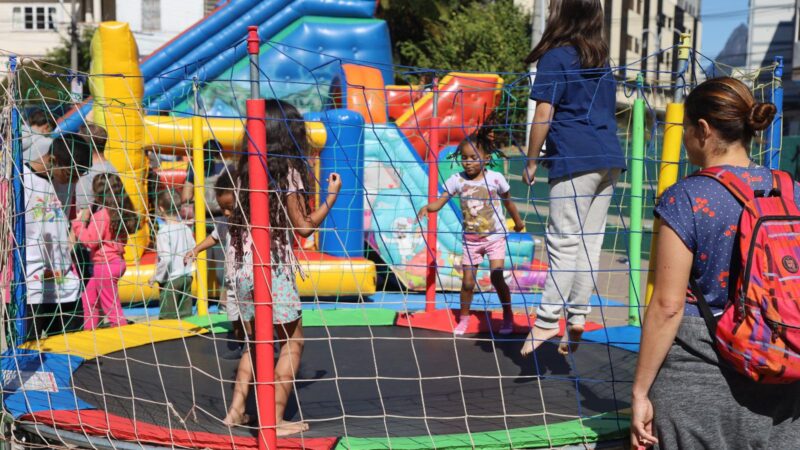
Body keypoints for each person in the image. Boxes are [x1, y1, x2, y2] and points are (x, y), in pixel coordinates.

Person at [630, 77, 800, 449]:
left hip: (699, 381)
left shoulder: (686, 197)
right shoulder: (791, 191)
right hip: (784, 375)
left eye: (686, 127)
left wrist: (640, 391)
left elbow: (668, 305)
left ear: (703, 130)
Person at [221, 99, 341, 436]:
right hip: (271, 268)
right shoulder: (288, 171)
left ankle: (236, 411)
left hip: (242, 268)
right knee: (293, 342)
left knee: (257, 342)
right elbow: (303, 227)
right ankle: (273, 421)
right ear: (290, 135)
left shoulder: (245, 169)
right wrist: (331, 196)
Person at [520, 0, 626, 356]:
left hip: (575, 156)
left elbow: (543, 114)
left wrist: (531, 160)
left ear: (562, 14)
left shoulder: (557, 57)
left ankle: (547, 319)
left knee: (563, 242)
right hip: (609, 157)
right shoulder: (601, 60)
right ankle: (578, 314)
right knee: (589, 243)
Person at [417, 129, 524, 336]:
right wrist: (428, 207)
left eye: (474, 158)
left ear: (486, 158)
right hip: (471, 240)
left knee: (497, 277)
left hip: (494, 237)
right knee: (467, 283)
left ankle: (507, 314)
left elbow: (508, 202)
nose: (468, 162)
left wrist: (518, 222)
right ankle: (464, 318)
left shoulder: (495, 179)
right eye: (464, 158)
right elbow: (440, 201)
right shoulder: (457, 180)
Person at [24, 133, 91, 337]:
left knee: (74, 351)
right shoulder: (20, 179)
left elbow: (67, 220)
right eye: (73, 173)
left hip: (65, 286)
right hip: (30, 288)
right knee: (28, 352)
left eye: (81, 174)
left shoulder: (67, 183)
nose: (76, 179)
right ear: (53, 159)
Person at [72, 173, 139, 330]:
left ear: (98, 193)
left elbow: (90, 241)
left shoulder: (102, 216)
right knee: (89, 299)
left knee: (111, 307)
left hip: (105, 265)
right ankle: (90, 331)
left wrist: (78, 224)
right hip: (116, 262)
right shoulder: (121, 213)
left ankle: (122, 332)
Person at [185, 169, 239, 357]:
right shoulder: (225, 221)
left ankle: (253, 343)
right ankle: (240, 344)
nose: (225, 212)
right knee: (234, 315)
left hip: (250, 278)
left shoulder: (249, 219)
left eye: (229, 207)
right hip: (233, 279)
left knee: (251, 315)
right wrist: (196, 249)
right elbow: (215, 237)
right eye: (222, 208)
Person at [150, 189, 195, 320]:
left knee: (168, 319)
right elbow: (193, 250)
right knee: (185, 317)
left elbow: (166, 260)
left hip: (171, 281)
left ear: (161, 208)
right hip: (186, 278)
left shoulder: (163, 232)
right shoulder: (185, 228)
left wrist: (157, 277)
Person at [75, 123, 118, 212]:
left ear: (84, 146)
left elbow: (84, 213)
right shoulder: (113, 168)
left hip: (94, 220)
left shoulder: (87, 176)